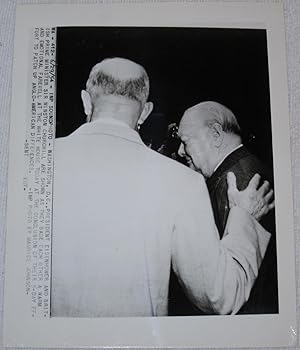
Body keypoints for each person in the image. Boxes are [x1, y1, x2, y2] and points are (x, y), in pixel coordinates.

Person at [51, 58, 273, 318]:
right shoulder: (182, 181)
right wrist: (244, 219)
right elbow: (220, 297)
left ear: (86, 101)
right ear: (145, 111)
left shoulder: (36, 161)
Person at [176, 101, 278, 314]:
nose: (180, 151)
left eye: (185, 142)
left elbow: (231, 282)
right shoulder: (243, 170)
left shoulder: (237, 183)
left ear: (215, 134)